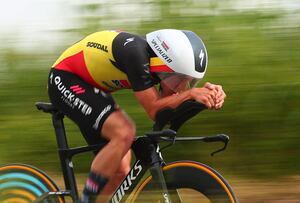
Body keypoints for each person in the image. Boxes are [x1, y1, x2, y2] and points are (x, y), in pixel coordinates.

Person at [47, 29, 226, 202]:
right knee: (124, 132)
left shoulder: (156, 64)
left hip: (90, 86)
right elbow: (154, 111)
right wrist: (191, 95)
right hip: (64, 78)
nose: (182, 87)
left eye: (190, 82)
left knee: (120, 171)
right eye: (181, 79)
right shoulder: (136, 55)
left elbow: (168, 111)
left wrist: (206, 97)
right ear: (166, 65)